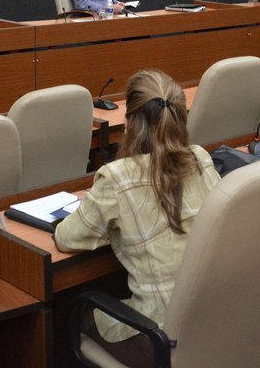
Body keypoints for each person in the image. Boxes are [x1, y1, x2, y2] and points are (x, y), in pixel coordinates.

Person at [54, 69, 221, 367]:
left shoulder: (117, 178)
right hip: (213, 323)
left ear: (128, 124)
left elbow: (67, 238)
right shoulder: (200, 159)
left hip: (164, 340)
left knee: (73, 313)